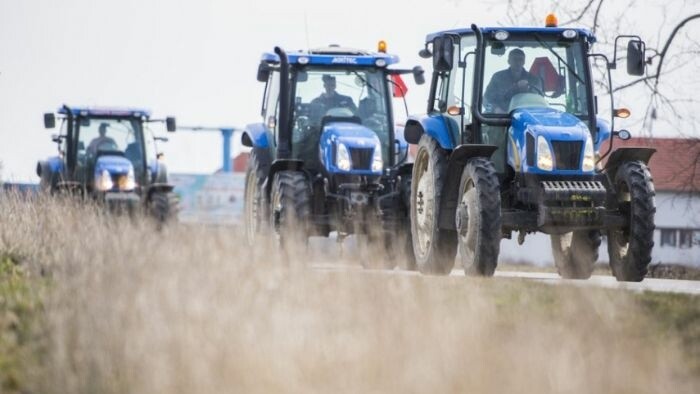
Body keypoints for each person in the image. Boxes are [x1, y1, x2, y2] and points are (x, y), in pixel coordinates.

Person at [484, 48, 543, 113]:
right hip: (501, 118)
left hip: (527, 117)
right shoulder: (498, 77)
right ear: (508, 61)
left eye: (520, 59)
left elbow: (539, 100)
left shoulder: (533, 79)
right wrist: (495, 109)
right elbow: (486, 99)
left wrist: (528, 90)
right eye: (515, 59)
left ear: (524, 62)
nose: (518, 62)